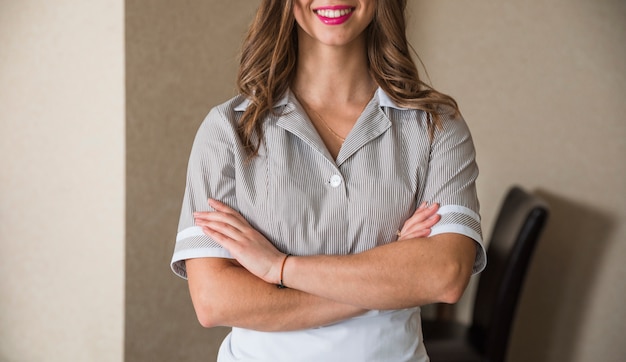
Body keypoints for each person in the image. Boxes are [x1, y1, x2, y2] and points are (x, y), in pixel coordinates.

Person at [170, 0, 486, 361]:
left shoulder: (436, 127)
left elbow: (444, 275)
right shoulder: (228, 130)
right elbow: (214, 301)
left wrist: (279, 268)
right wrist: (389, 280)